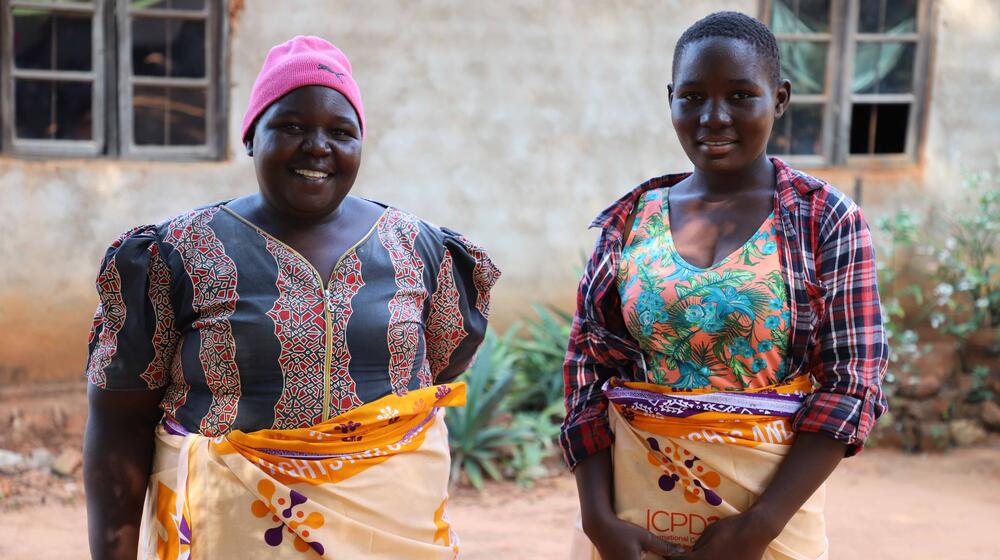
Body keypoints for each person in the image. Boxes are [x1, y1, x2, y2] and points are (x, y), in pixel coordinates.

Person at [83, 35, 499, 560]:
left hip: (392, 530)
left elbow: (441, 366)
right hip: (233, 533)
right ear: (252, 136)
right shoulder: (173, 253)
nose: (318, 147)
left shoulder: (420, 249)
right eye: (292, 126)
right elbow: (118, 420)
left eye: (341, 132)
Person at [561, 12, 887, 560]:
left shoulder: (824, 218)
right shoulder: (630, 221)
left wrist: (759, 526)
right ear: (670, 99)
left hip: (767, 522)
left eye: (740, 96)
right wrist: (598, 518)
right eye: (692, 97)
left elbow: (853, 382)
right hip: (634, 517)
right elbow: (586, 372)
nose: (714, 117)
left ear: (779, 98)